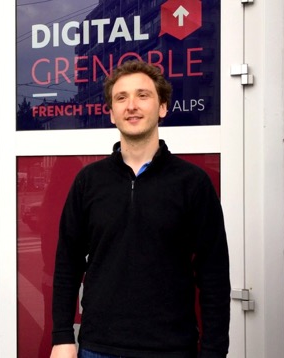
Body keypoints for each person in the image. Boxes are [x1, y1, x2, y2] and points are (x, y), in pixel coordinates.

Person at [50, 60, 231, 358]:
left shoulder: (192, 183)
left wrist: (214, 351)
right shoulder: (89, 181)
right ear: (111, 113)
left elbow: (213, 274)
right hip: (98, 348)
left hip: (171, 349)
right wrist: (62, 337)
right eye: (121, 98)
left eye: (142, 95)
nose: (131, 105)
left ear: (162, 108)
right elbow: (67, 263)